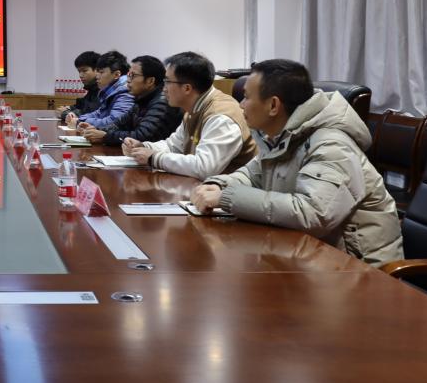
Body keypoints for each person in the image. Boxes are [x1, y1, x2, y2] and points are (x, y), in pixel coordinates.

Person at [191, 59, 403, 266]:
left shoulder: (332, 145)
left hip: (360, 271)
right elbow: (251, 175)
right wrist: (218, 185)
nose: (241, 104)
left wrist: (226, 197)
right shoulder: (281, 135)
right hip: (313, 258)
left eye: (246, 97)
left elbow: (313, 214)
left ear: (273, 105)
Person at [122, 51, 256, 178]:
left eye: (167, 82)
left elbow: (204, 167)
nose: (164, 88)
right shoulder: (195, 107)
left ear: (187, 88)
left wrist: (154, 158)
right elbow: (173, 146)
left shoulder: (221, 116)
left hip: (228, 191)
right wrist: (143, 147)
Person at [79, 55, 182, 145]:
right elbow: (118, 124)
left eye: (133, 76)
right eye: (129, 75)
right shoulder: (141, 98)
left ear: (150, 81)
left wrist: (105, 136)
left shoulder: (162, 102)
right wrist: (95, 130)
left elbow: (143, 136)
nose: (128, 80)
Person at [65, 50, 134, 130]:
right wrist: (79, 118)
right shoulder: (111, 91)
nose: (97, 76)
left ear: (116, 74)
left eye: (101, 72)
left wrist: (79, 122)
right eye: (97, 71)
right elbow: (100, 113)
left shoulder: (125, 93)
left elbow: (114, 122)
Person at [57, 50, 101, 120]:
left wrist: (65, 113)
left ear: (97, 70)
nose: (80, 75)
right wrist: (69, 108)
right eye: (79, 71)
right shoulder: (92, 88)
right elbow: (82, 105)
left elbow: (89, 113)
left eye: (84, 71)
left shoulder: (101, 89)